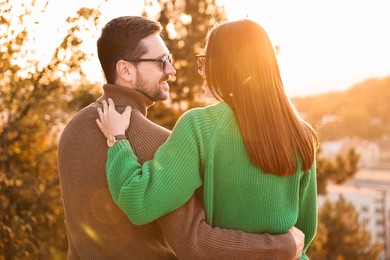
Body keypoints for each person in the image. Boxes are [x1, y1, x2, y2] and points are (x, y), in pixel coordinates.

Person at [58, 16, 305, 259]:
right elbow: (195, 245)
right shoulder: (159, 142)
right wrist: (281, 247)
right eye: (161, 61)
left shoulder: (72, 129)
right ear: (125, 70)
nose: (171, 70)